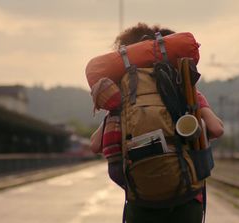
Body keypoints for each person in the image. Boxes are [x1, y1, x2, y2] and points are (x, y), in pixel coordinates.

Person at [89, 23, 224, 223]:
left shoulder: (122, 100)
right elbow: (216, 128)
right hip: (187, 199)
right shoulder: (185, 89)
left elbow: (94, 144)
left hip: (142, 202)